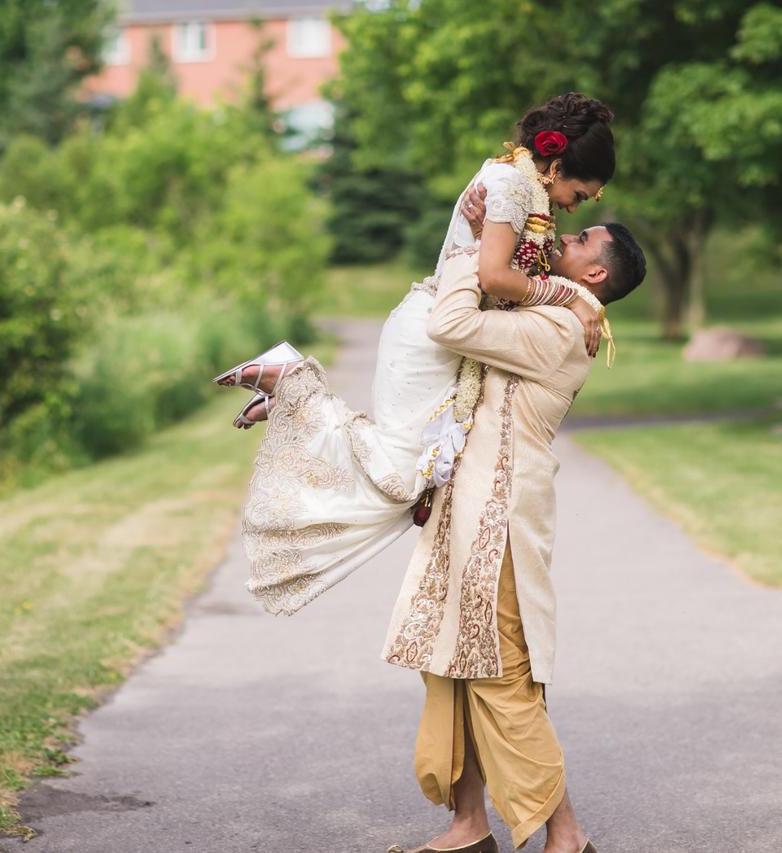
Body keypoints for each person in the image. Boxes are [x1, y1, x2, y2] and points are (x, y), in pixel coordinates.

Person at [215, 94, 619, 617]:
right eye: (579, 193)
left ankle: (291, 397)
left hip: (441, 337)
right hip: (432, 331)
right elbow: (496, 278)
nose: (574, 206)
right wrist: (570, 295)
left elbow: (503, 278)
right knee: (399, 475)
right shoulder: (512, 185)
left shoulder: (520, 186)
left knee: (407, 478)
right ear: (558, 164)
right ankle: (291, 383)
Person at [382, 205, 646, 853]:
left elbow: (450, 321)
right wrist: (479, 232)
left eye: (581, 238)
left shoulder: (558, 328)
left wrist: (538, 282)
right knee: (452, 661)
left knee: (501, 669)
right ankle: (468, 826)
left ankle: (568, 834)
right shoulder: (550, 306)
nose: (565, 234)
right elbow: (490, 287)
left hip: (496, 517)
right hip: (464, 506)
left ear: (593, 271)